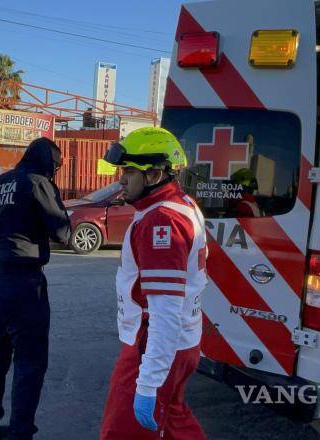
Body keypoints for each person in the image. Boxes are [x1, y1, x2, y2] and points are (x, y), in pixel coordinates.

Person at [98, 127, 208, 440]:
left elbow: (165, 311)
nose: (121, 179)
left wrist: (147, 384)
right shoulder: (181, 204)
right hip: (181, 343)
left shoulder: (161, 220)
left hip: (154, 346)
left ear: (155, 175)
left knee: (122, 433)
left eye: (130, 172)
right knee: (174, 421)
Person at [0, 137, 71, 440]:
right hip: (23, 284)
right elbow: (62, 232)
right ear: (48, 163)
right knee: (29, 363)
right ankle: (20, 434)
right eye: (55, 166)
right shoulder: (37, 183)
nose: (54, 171)